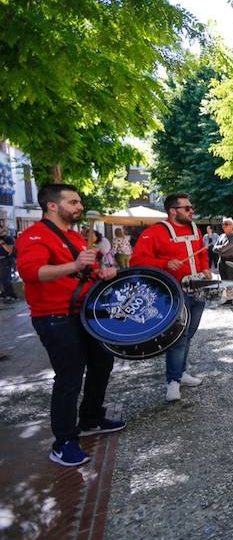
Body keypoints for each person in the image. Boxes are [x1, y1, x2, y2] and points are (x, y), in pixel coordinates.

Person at [16, 184, 124, 466]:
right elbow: (32, 272)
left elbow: (85, 273)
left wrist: (102, 272)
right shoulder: (34, 235)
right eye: (73, 202)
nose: (79, 207)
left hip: (84, 313)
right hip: (54, 317)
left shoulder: (75, 237)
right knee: (69, 377)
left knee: (103, 362)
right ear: (52, 205)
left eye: (79, 202)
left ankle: (90, 418)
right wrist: (75, 266)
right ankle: (63, 442)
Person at [132, 193, 210, 401]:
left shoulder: (195, 229)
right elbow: (137, 260)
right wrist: (165, 264)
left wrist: (204, 269)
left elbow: (202, 254)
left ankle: (182, 372)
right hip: (174, 292)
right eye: (187, 208)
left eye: (191, 207)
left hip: (198, 289)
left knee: (189, 334)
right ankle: (173, 381)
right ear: (173, 210)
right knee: (178, 338)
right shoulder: (155, 232)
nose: (192, 211)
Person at [214, 217, 233, 305]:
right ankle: (228, 298)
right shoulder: (222, 236)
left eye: (226, 224)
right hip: (222, 260)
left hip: (231, 259)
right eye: (223, 224)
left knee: (232, 280)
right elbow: (214, 248)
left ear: (231, 226)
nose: (223, 226)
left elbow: (223, 248)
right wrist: (219, 248)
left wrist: (219, 248)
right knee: (224, 280)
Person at [0, 226, 17, 302]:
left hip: (6, 260)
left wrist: (3, 243)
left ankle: (11, 295)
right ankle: (3, 294)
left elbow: (10, 250)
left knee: (5, 279)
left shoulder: (8, 238)